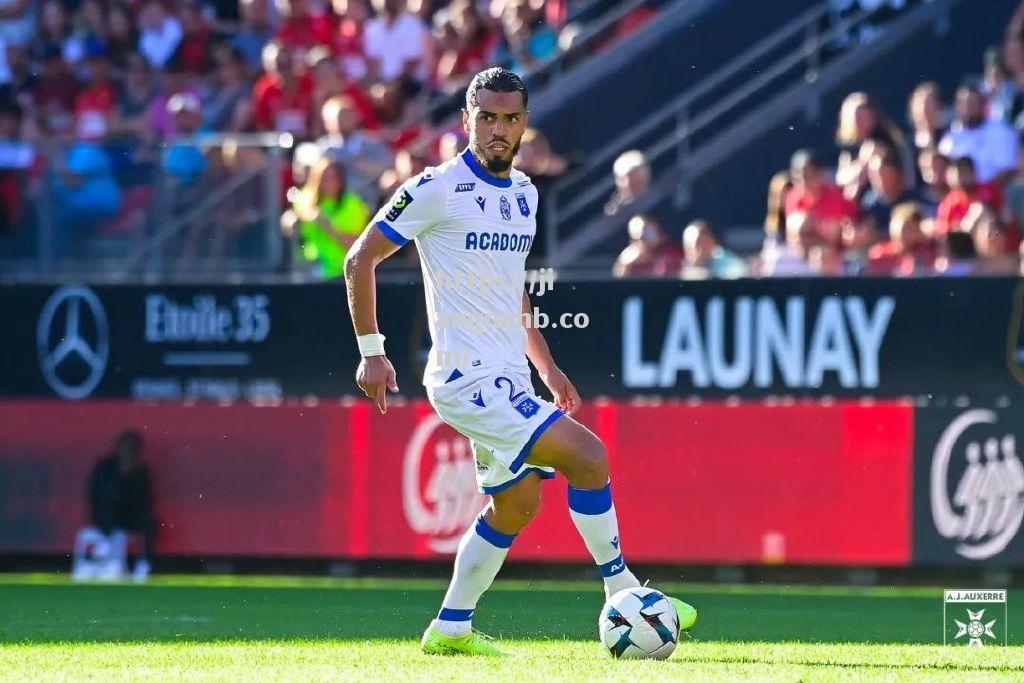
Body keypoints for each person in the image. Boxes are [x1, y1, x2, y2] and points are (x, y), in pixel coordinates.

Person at [343, 67, 697, 657]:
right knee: (590, 457)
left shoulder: (526, 196)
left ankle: (450, 629)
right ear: (466, 120)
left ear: (525, 123)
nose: (498, 129)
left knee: (517, 502)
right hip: (463, 379)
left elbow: (513, 291)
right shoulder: (437, 187)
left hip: (507, 376)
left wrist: (548, 367)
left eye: (510, 118)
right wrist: (371, 353)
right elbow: (360, 259)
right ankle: (626, 594)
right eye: (487, 117)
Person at [87, 430, 156, 581]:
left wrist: (130, 476)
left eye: (133, 448)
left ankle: (143, 564)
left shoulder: (140, 471)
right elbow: (97, 495)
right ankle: (106, 549)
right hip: (107, 515)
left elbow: (144, 500)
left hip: (129, 516)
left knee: (150, 522)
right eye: (126, 446)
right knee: (111, 504)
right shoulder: (105, 467)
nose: (129, 451)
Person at [284, 158, 370, 278]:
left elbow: (357, 245)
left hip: (342, 273)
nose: (327, 182)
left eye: (332, 178)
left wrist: (328, 227)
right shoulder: (305, 198)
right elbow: (290, 221)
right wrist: (289, 221)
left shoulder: (353, 204)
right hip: (308, 271)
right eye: (323, 177)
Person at [938, 83, 1019, 185]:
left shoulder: (1002, 131)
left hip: (995, 193)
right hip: (960, 195)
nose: (969, 108)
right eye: (965, 104)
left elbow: (1008, 170)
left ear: (983, 104)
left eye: (973, 103)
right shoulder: (950, 138)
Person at [611, 214, 681, 278]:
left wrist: (654, 259)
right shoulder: (628, 257)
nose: (643, 239)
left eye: (648, 232)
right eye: (637, 237)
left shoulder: (672, 252)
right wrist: (626, 265)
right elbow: (619, 281)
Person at [680, 220, 746, 279]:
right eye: (688, 246)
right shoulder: (677, 268)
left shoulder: (731, 265)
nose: (693, 250)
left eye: (699, 243)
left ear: (711, 241)